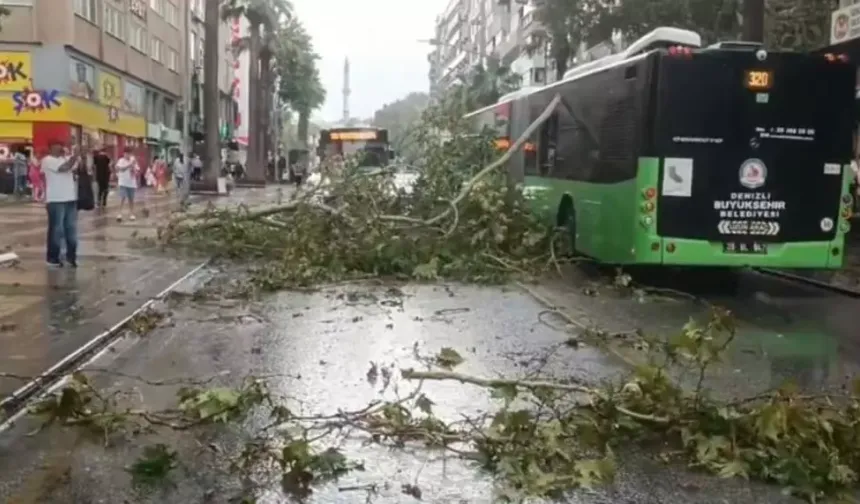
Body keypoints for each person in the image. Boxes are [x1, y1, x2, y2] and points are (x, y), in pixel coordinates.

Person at [41, 140, 81, 268]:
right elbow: (64, 168)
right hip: (55, 200)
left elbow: (78, 168)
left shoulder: (66, 158)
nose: (59, 149)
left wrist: (79, 155)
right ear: (51, 149)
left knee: (71, 230)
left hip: (70, 198)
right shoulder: (47, 160)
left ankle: (71, 257)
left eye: (61, 147)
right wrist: (75, 156)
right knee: (56, 230)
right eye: (56, 147)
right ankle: (52, 258)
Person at [115, 146, 139, 221]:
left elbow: (137, 170)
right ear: (124, 154)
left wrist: (134, 168)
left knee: (131, 199)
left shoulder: (133, 161)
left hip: (131, 183)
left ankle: (131, 214)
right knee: (122, 198)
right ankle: (119, 214)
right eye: (126, 153)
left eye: (129, 153)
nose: (127, 155)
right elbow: (120, 169)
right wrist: (129, 165)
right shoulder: (121, 160)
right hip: (123, 182)